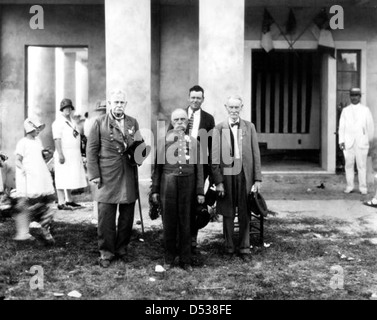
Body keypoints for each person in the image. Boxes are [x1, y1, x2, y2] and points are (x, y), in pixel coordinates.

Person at [86, 90, 148, 268]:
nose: (119, 105)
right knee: (106, 215)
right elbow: (91, 150)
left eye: (122, 102)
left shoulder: (132, 122)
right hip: (107, 174)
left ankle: (121, 249)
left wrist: (139, 156)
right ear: (110, 103)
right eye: (116, 102)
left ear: (125, 104)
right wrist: (95, 174)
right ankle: (106, 252)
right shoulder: (99, 122)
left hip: (128, 172)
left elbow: (139, 144)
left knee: (127, 214)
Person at [151, 108, 205, 271]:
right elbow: (158, 169)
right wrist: (155, 190)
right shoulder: (163, 141)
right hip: (169, 185)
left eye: (183, 120)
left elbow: (199, 169)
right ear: (172, 123)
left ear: (187, 122)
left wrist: (200, 191)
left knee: (186, 222)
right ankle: (168, 258)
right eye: (176, 120)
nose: (180, 123)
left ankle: (185, 260)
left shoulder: (194, 142)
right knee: (169, 222)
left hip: (188, 185)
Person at [211, 95, 262, 261]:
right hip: (227, 176)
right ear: (226, 107)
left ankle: (245, 248)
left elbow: (256, 153)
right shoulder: (218, 128)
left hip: (244, 174)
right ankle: (229, 247)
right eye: (231, 107)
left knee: (245, 211)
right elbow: (215, 158)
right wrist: (218, 182)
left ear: (242, 107)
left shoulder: (249, 127)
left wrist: (257, 179)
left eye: (237, 107)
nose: (234, 111)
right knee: (228, 212)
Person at [167, 85, 215, 256]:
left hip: (198, 167)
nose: (195, 100)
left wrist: (208, 169)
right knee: (179, 207)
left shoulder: (208, 119)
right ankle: (178, 242)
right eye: (193, 97)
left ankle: (192, 242)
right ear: (188, 98)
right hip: (179, 168)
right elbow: (168, 140)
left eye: (199, 98)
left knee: (195, 206)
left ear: (203, 99)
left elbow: (211, 146)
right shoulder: (179, 116)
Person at [13, 118, 56, 243]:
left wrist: (45, 154)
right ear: (29, 129)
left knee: (44, 198)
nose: (38, 131)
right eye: (35, 128)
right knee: (26, 202)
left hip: (39, 173)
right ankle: (23, 232)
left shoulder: (38, 141)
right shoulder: (23, 142)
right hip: (28, 175)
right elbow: (17, 160)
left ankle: (45, 226)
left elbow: (38, 155)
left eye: (38, 128)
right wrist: (23, 169)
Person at [52, 98, 87, 210]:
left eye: (69, 108)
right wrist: (60, 154)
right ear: (61, 109)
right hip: (64, 152)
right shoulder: (58, 123)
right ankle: (61, 202)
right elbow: (57, 139)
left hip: (73, 154)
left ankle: (69, 200)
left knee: (69, 176)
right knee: (62, 177)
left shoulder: (72, 122)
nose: (67, 110)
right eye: (65, 108)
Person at [338, 88, 374, 195]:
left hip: (362, 142)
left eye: (356, 95)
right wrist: (341, 141)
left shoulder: (365, 110)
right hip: (348, 143)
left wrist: (370, 142)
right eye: (352, 95)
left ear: (360, 97)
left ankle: (363, 188)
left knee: (361, 166)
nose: (354, 98)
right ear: (350, 97)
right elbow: (342, 127)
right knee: (348, 165)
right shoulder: (345, 110)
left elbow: (370, 127)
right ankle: (349, 186)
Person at [83, 100, 107, 225]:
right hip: (98, 159)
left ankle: (102, 217)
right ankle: (97, 215)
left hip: (106, 161)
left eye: (105, 110)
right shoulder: (95, 123)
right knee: (98, 188)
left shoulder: (110, 123)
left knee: (104, 192)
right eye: (102, 110)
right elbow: (91, 144)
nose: (104, 112)